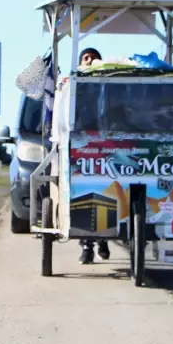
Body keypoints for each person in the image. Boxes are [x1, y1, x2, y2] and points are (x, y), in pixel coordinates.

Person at [74, 47, 111, 263]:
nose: (89, 61)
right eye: (86, 58)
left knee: (105, 194)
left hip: (108, 147)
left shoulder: (109, 87)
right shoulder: (74, 86)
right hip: (81, 147)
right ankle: (87, 246)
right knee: (85, 195)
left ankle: (104, 239)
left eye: (94, 58)